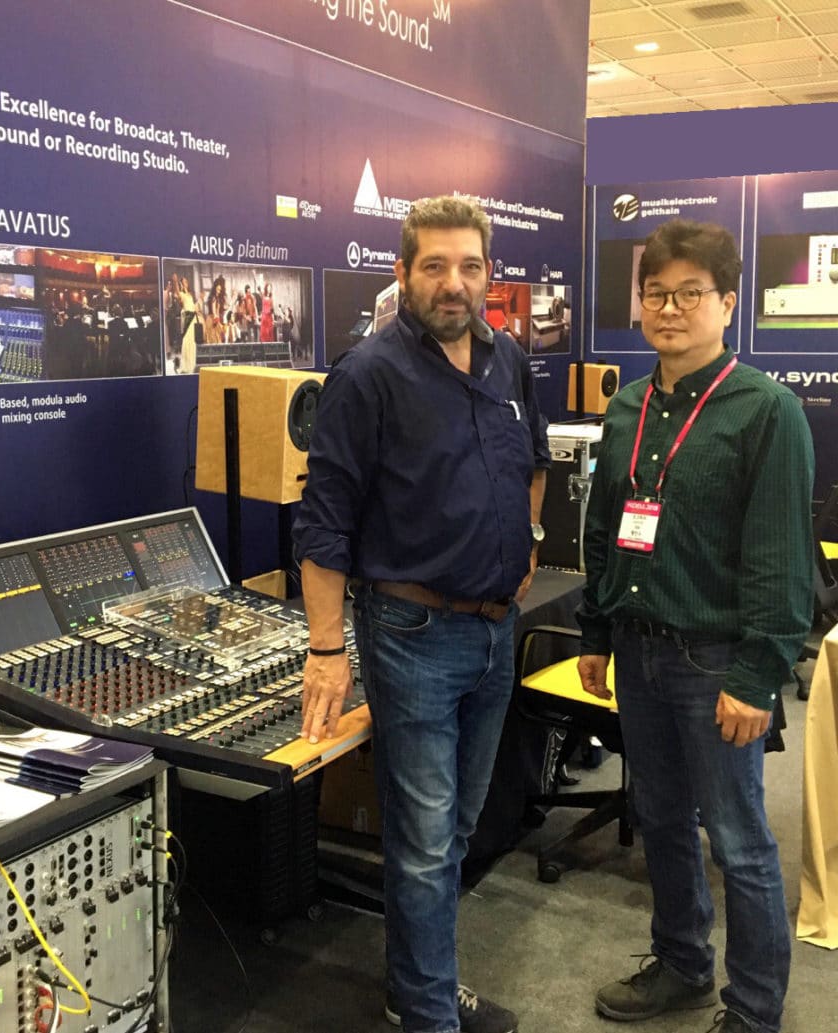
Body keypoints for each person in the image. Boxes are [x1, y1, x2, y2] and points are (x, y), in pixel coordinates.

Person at [293, 195, 549, 1033]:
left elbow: (533, 461)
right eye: (434, 266)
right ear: (403, 274)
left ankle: (415, 988)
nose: (453, 283)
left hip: (495, 631)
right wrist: (326, 648)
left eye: (469, 266)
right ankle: (431, 1013)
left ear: (488, 274)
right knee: (427, 839)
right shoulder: (367, 375)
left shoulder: (508, 363)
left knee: (456, 831)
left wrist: (530, 538)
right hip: (413, 637)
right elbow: (324, 522)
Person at [576, 219, 814, 1033]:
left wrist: (757, 676)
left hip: (716, 662)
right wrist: (596, 633)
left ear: (727, 303)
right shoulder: (628, 406)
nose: (670, 308)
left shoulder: (767, 411)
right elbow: (606, 530)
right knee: (664, 819)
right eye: (656, 293)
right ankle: (682, 963)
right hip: (637, 651)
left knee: (739, 841)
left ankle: (754, 1008)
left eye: (689, 293)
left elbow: (780, 561)